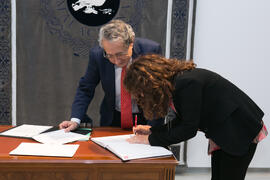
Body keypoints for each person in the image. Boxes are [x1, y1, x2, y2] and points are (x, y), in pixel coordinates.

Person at [124, 54, 268, 180]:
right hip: (224, 129)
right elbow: (184, 120)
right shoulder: (177, 81)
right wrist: (153, 131)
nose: (141, 95)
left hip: (239, 130)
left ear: (150, 82)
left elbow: (188, 129)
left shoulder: (186, 83)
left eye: (141, 90)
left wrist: (149, 140)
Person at [59, 20, 163, 132]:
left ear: (131, 43)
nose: (116, 61)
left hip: (146, 118)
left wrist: (152, 129)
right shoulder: (98, 55)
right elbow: (86, 88)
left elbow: (158, 92)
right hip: (112, 119)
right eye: (110, 56)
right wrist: (75, 120)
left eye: (120, 54)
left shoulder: (150, 50)